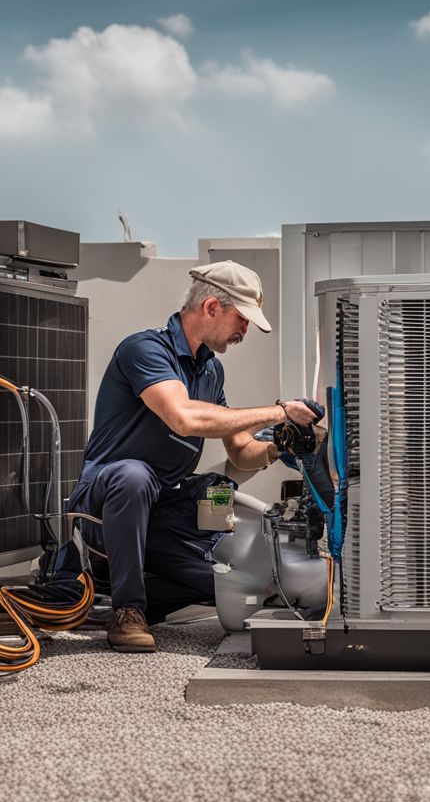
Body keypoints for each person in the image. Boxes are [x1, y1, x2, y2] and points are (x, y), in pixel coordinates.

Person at [67, 260, 317, 653]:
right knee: (135, 475)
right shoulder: (145, 349)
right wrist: (278, 411)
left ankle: (131, 598)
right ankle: (127, 612)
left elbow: (241, 451)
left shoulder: (210, 371)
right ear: (212, 307)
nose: (245, 330)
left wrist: (278, 445)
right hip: (108, 508)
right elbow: (183, 418)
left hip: (164, 510)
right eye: (242, 318)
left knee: (229, 580)